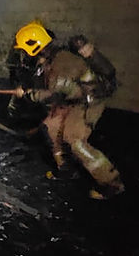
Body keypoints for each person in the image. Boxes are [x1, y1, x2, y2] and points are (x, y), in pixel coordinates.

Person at [8, 20, 124, 199]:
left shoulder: (63, 63)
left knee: (74, 140)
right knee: (50, 127)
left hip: (87, 103)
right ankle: (66, 169)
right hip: (71, 100)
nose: (22, 54)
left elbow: (53, 94)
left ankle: (111, 184)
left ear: (34, 46)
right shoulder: (48, 60)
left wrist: (29, 94)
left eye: (24, 50)